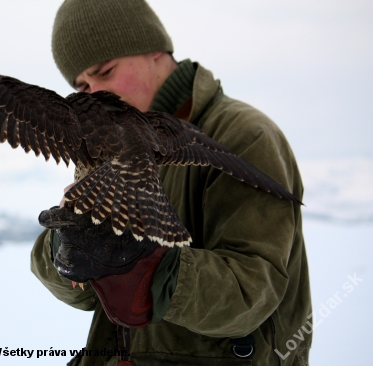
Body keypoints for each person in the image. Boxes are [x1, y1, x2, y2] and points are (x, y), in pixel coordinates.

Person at [31, 0, 312, 365]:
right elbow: (85, 295)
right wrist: (67, 245)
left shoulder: (244, 136)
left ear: (153, 49)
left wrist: (147, 264)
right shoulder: (105, 149)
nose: (95, 94)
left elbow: (252, 295)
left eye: (105, 71)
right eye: (83, 86)